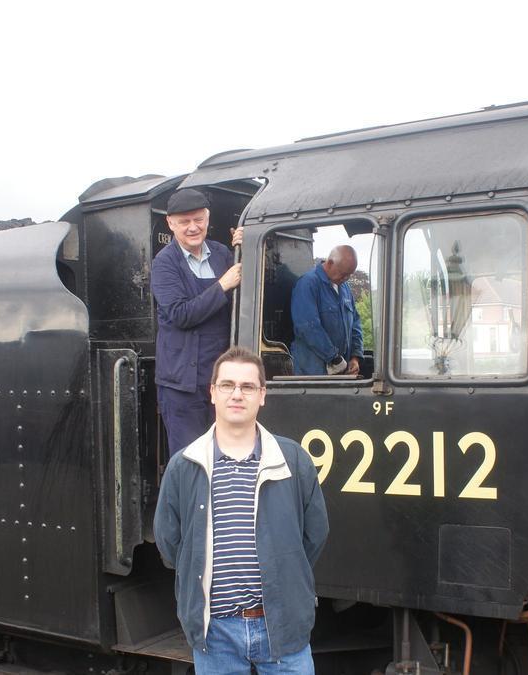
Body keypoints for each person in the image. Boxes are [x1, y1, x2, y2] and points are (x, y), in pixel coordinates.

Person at [154, 346, 329, 673]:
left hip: (282, 627)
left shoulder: (294, 461)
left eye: (248, 387)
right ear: (212, 392)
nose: (237, 394)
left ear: (262, 395)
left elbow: (314, 536)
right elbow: (170, 542)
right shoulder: (184, 465)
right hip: (215, 633)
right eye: (227, 385)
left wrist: (286, 572)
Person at [150, 188, 243, 456]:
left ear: (207, 218)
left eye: (198, 220)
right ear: (171, 224)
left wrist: (244, 248)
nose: (193, 227)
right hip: (182, 385)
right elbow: (180, 314)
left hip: (221, 381)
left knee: (226, 455)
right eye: (184, 222)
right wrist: (222, 285)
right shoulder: (164, 263)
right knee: (190, 460)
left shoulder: (223, 253)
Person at [290, 245, 363, 376]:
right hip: (313, 373)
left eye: (349, 275)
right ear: (330, 263)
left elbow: (355, 323)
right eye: (343, 274)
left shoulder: (345, 288)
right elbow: (308, 327)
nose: (346, 279)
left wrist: (355, 357)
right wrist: (334, 358)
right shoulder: (308, 284)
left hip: (340, 370)